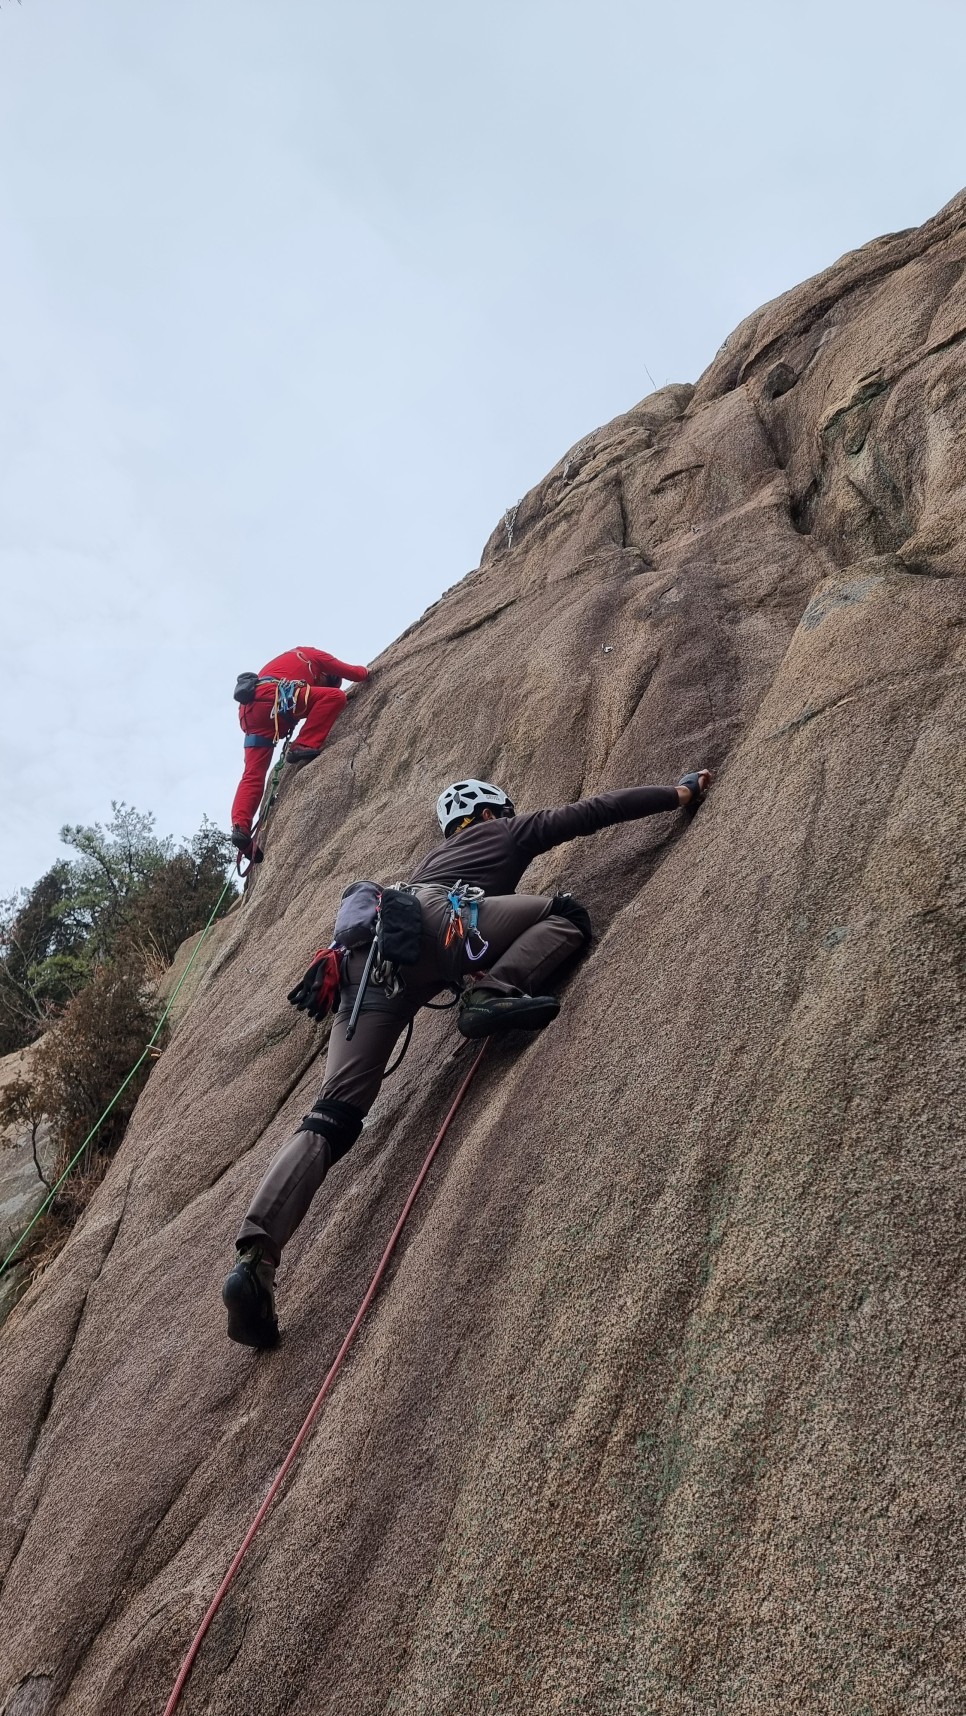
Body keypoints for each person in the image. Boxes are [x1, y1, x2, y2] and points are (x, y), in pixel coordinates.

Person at [223, 768, 712, 1346]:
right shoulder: (501, 833)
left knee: (332, 1114)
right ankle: (492, 994)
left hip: (366, 969)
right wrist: (678, 792)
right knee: (567, 913)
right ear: (489, 813)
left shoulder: (420, 867)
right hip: (445, 923)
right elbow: (590, 813)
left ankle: (256, 1256)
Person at [230, 646, 369, 857]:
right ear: (325, 676)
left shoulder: (288, 662)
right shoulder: (313, 655)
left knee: (253, 775)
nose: (318, 686)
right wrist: (372, 670)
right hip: (274, 699)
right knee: (334, 697)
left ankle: (241, 828)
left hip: (250, 713)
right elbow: (357, 674)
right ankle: (303, 745)